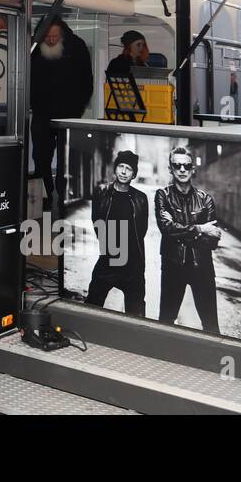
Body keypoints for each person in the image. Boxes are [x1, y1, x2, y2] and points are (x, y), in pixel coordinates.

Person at [154, 146, 221, 334]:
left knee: (211, 326)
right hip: (173, 267)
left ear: (193, 169)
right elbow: (166, 229)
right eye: (177, 165)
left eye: (186, 166)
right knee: (166, 323)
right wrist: (200, 229)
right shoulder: (163, 196)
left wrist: (180, 232)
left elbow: (212, 241)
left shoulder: (205, 200)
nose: (182, 170)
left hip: (202, 268)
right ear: (170, 169)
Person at [29, 16, 93, 209]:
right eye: (47, 36)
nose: (51, 40)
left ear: (62, 34)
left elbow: (87, 80)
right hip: (42, 113)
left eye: (55, 36)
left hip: (69, 114)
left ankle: (65, 198)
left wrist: (79, 108)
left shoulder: (76, 46)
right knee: (40, 157)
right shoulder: (34, 48)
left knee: (67, 160)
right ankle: (44, 199)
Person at [85, 150, 149, 317]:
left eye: (128, 168)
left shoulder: (141, 198)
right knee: (91, 306)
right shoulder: (101, 192)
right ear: (115, 168)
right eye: (120, 166)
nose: (123, 171)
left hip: (133, 265)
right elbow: (97, 222)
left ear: (134, 174)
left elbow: (141, 231)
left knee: (136, 315)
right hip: (108, 261)